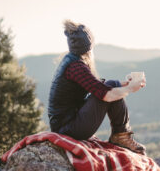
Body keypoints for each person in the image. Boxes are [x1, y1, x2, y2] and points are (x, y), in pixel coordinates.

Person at [48, 20, 146, 155]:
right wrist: (131, 88)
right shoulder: (76, 66)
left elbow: (94, 85)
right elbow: (107, 95)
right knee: (110, 88)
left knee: (111, 84)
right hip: (67, 129)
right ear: (88, 47)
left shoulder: (72, 60)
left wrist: (125, 84)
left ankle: (121, 135)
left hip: (67, 124)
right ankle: (121, 136)